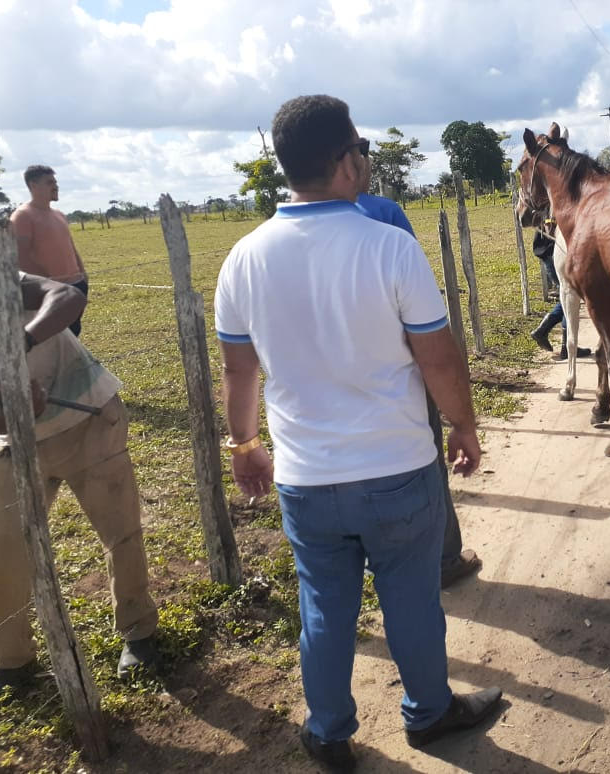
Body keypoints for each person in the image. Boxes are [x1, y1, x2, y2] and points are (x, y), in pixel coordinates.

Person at [214, 95, 501, 771]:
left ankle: (330, 731)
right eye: (361, 148)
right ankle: (429, 715)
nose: (366, 159)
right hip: (396, 470)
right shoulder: (390, 247)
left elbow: (237, 370)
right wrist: (462, 425)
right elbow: (437, 356)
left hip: (307, 480)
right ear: (345, 164)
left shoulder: (243, 259)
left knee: (324, 609)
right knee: (409, 601)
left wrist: (245, 445)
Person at [0, 274, 159, 692]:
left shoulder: (3, 277)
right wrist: (14, 408)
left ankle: (139, 633)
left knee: (120, 533)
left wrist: (22, 343)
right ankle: (12, 660)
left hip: (88, 417)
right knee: (4, 550)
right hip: (14, 443)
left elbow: (66, 296)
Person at [354, 190, 482, 588]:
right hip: (399, 371)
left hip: (337, 385)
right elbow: (419, 310)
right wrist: (462, 421)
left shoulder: (271, 237)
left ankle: (373, 563)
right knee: (424, 461)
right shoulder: (385, 213)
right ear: (349, 160)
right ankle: (443, 558)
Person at [10, 166, 88, 336]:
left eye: (55, 182)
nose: (56, 186)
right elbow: (21, 256)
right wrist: (49, 284)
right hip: (52, 293)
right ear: (33, 185)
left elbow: (70, 246)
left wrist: (83, 273)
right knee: (58, 338)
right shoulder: (22, 216)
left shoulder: (59, 214)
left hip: (76, 285)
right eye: (50, 182)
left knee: (74, 333)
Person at [529, 222, 591, 361]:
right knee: (569, 297)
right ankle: (555, 339)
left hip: (552, 253)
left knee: (568, 297)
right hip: (554, 254)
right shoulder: (553, 205)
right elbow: (550, 227)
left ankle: (550, 335)